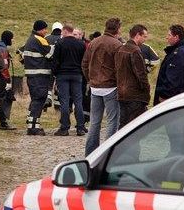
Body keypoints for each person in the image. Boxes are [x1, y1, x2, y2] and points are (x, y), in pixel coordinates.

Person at [82, 18, 122, 155]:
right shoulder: (117, 45)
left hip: (95, 87)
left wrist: (90, 79)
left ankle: (90, 153)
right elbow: (119, 67)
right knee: (112, 121)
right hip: (111, 87)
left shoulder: (93, 42)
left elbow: (85, 64)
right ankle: (107, 154)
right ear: (117, 29)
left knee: (94, 122)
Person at [52, 23, 87, 136]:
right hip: (77, 75)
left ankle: (64, 127)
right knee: (78, 101)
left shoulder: (60, 43)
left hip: (63, 75)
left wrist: (55, 73)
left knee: (64, 102)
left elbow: (56, 60)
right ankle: (80, 127)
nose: (61, 34)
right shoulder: (81, 44)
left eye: (62, 32)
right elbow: (83, 61)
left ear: (65, 31)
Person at [115, 24, 150, 128]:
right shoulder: (135, 50)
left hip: (122, 93)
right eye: (144, 36)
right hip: (134, 94)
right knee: (133, 127)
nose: (145, 39)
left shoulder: (121, 49)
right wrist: (146, 91)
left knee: (123, 125)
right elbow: (141, 74)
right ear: (137, 35)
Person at [23, 20, 53, 135]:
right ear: (40, 29)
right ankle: (33, 128)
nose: (46, 31)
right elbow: (50, 54)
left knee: (36, 99)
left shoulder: (30, 40)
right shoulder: (40, 39)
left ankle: (33, 123)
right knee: (39, 99)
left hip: (32, 76)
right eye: (45, 29)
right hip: (39, 76)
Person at [154, 24, 184, 105]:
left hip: (173, 100)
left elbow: (172, 80)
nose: (167, 37)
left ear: (176, 37)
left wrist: (164, 96)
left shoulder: (177, 54)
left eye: (169, 35)